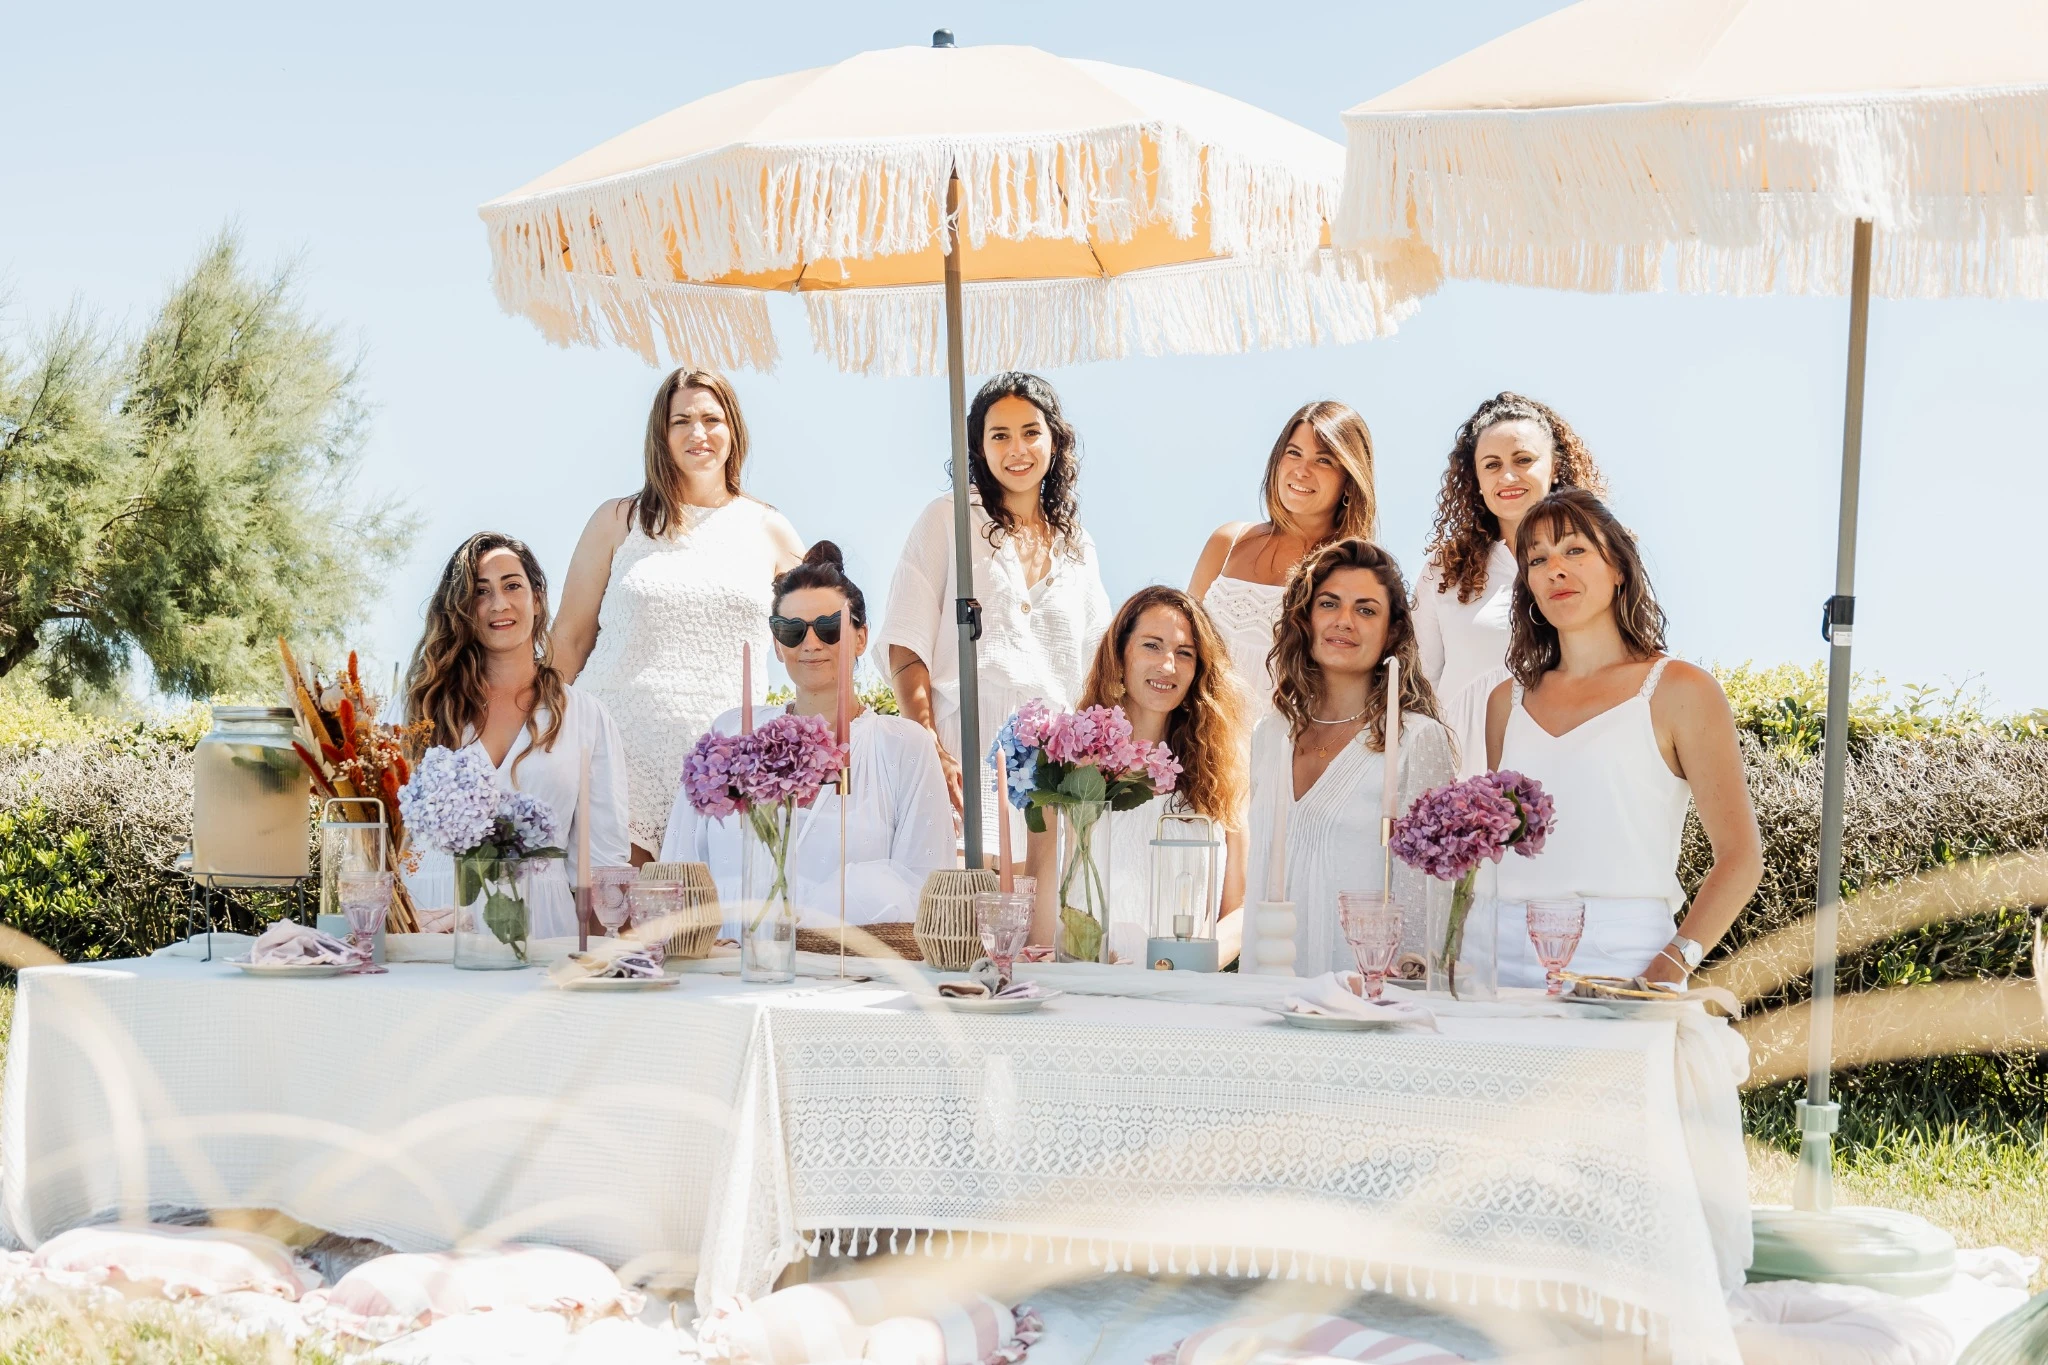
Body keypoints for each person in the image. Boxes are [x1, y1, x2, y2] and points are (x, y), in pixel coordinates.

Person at [1484, 489, 1762, 988]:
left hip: (1625, 969)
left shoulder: (1681, 690)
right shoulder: (1507, 702)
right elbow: (1507, 850)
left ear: (1618, 568)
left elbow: (1741, 858)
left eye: (1575, 550)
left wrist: (1670, 967)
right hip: (1502, 965)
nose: (1555, 570)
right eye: (1537, 560)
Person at [554, 368, 805, 858]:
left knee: (708, 927)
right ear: (661, 435)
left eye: (712, 418)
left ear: (733, 430)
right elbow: (569, 640)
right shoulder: (616, 520)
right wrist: (540, 738)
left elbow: (819, 624)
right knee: (608, 923)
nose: (698, 433)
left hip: (723, 764)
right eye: (681, 421)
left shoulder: (769, 528)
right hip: (616, 753)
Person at [662, 542, 953, 935]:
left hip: (851, 974)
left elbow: (926, 885)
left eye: (830, 628)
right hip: (726, 970)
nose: (811, 644)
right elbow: (678, 871)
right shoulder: (732, 735)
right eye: (792, 631)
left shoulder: (903, 746)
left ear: (862, 638)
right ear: (778, 646)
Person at [878, 371, 1112, 855]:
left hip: (1054, 772)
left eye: (1031, 432)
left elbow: (1100, 666)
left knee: (1044, 913)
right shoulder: (948, 519)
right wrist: (930, 749)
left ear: (1055, 440)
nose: (1017, 449)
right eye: (999, 436)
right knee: (965, 910)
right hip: (964, 753)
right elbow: (905, 642)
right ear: (979, 448)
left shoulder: (1078, 547)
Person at [400, 532, 630, 938]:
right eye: (480, 591)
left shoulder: (585, 716)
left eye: (512, 586)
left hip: (543, 929)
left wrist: (591, 964)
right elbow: (383, 836)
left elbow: (602, 864)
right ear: (461, 609)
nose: (498, 604)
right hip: (431, 922)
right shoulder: (420, 707)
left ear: (537, 598)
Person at [1242, 539, 1453, 977]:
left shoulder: (1415, 739)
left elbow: (1428, 894)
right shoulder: (1270, 735)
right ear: (1305, 617)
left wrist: (1398, 987)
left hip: (1363, 1000)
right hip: (1264, 993)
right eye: (1329, 603)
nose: (1344, 621)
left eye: (1366, 610)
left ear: (1392, 631)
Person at [1025, 586, 1251, 962]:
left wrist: (1189, 966)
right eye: (1152, 645)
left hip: (1181, 996)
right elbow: (1042, 906)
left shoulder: (1223, 777)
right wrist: (1067, 963)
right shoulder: (1064, 767)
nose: (1168, 665)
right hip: (1085, 987)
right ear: (1120, 654)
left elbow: (1239, 909)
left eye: (1185, 653)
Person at [1414, 393, 1607, 776]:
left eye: (1523, 460)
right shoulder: (1444, 571)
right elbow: (1420, 687)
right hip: (1461, 781)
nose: (1507, 477)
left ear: (1554, 467)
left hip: (1567, 768)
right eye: (1492, 465)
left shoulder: (1599, 560)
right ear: (1477, 481)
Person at [1188, 401, 1378, 732]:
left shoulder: (1357, 574)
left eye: (1323, 460)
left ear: (1349, 480)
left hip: (1288, 759)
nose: (1302, 470)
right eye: (1293, 453)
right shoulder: (1227, 541)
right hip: (1200, 749)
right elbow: (1180, 644)